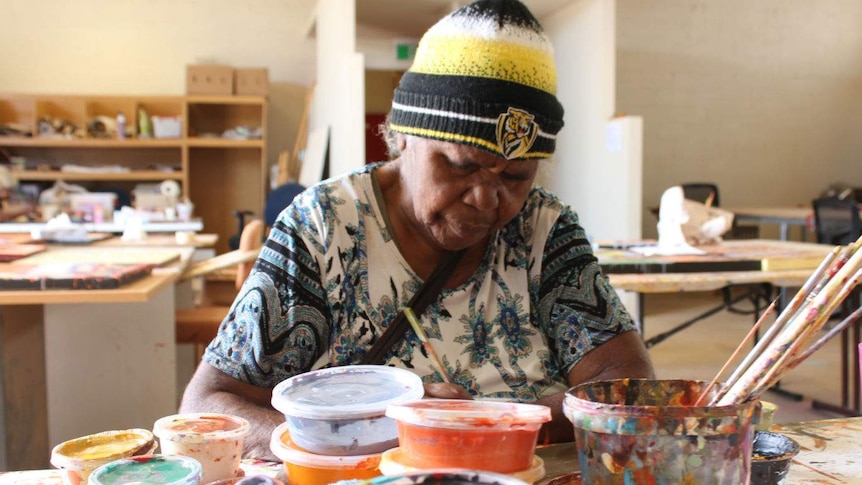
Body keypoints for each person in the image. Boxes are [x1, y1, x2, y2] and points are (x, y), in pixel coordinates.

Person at [180, 0, 654, 460]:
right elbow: (207, 407)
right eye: (461, 165)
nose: (487, 201)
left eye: (515, 177)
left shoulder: (543, 229)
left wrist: (487, 424)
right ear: (402, 134)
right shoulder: (323, 230)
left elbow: (625, 389)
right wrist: (379, 430)